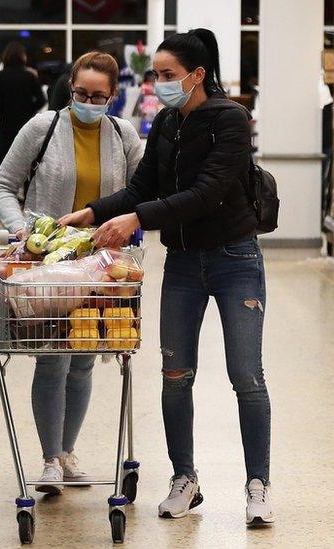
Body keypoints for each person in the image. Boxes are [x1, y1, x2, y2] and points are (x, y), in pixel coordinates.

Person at [59, 28, 275, 525]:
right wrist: (89, 213)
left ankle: (258, 484)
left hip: (234, 260)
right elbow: (140, 188)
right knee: (176, 375)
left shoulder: (231, 121)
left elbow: (207, 193)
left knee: (246, 375)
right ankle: (185, 478)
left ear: (197, 75)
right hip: (182, 264)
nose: (159, 83)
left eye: (168, 75)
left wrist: (138, 220)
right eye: (156, 74)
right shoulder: (166, 124)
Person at [0, 51, 143, 494]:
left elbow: (141, 192)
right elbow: (4, 185)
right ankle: (49, 459)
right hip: (47, 265)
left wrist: (131, 223)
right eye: (81, 93)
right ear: (69, 88)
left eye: (99, 96)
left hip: (102, 265)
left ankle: (68, 451)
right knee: (52, 358)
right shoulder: (42, 128)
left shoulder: (124, 134)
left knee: (83, 359)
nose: (89, 102)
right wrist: (23, 230)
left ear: (113, 96)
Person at [0, 42, 46, 167]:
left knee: (5, 155)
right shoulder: (30, 76)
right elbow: (41, 99)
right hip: (26, 122)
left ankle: (3, 184)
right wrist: (30, 109)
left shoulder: (0, 76)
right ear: (22, 57)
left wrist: (1, 111)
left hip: (6, 123)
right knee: (27, 156)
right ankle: (26, 185)